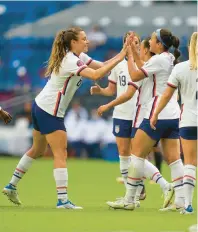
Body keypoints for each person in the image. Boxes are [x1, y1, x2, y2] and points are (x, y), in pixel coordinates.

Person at [2, 27, 127, 209]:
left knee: (36, 150)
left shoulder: (79, 58)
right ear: (73, 43)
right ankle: (62, 200)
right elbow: (96, 75)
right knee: (61, 153)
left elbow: (102, 67)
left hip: (41, 106)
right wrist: (122, 54)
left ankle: (11, 185)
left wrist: (122, 56)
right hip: (50, 111)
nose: (87, 41)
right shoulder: (70, 60)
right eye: (83, 39)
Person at [108, 28, 184, 211]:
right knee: (174, 159)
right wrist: (133, 50)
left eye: (151, 40)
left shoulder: (158, 59)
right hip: (173, 114)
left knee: (136, 155)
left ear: (159, 43)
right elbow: (144, 66)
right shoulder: (168, 58)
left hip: (157, 113)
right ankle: (181, 201)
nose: (149, 43)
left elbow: (135, 74)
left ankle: (129, 199)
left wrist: (130, 54)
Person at [96, 36, 173, 209]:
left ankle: (146, 191)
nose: (133, 45)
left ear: (143, 47)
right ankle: (134, 195)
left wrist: (107, 105)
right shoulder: (121, 65)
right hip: (122, 115)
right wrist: (102, 91)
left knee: (133, 157)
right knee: (127, 156)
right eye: (130, 42)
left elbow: (129, 93)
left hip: (138, 115)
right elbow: (112, 89)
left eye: (137, 42)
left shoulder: (142, 67)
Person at [150, 32, 197, 214]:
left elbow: (167, 95)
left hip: (189, 121)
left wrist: (155, 114)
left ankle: (188, 205)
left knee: (190, 163)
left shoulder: (181, 69)